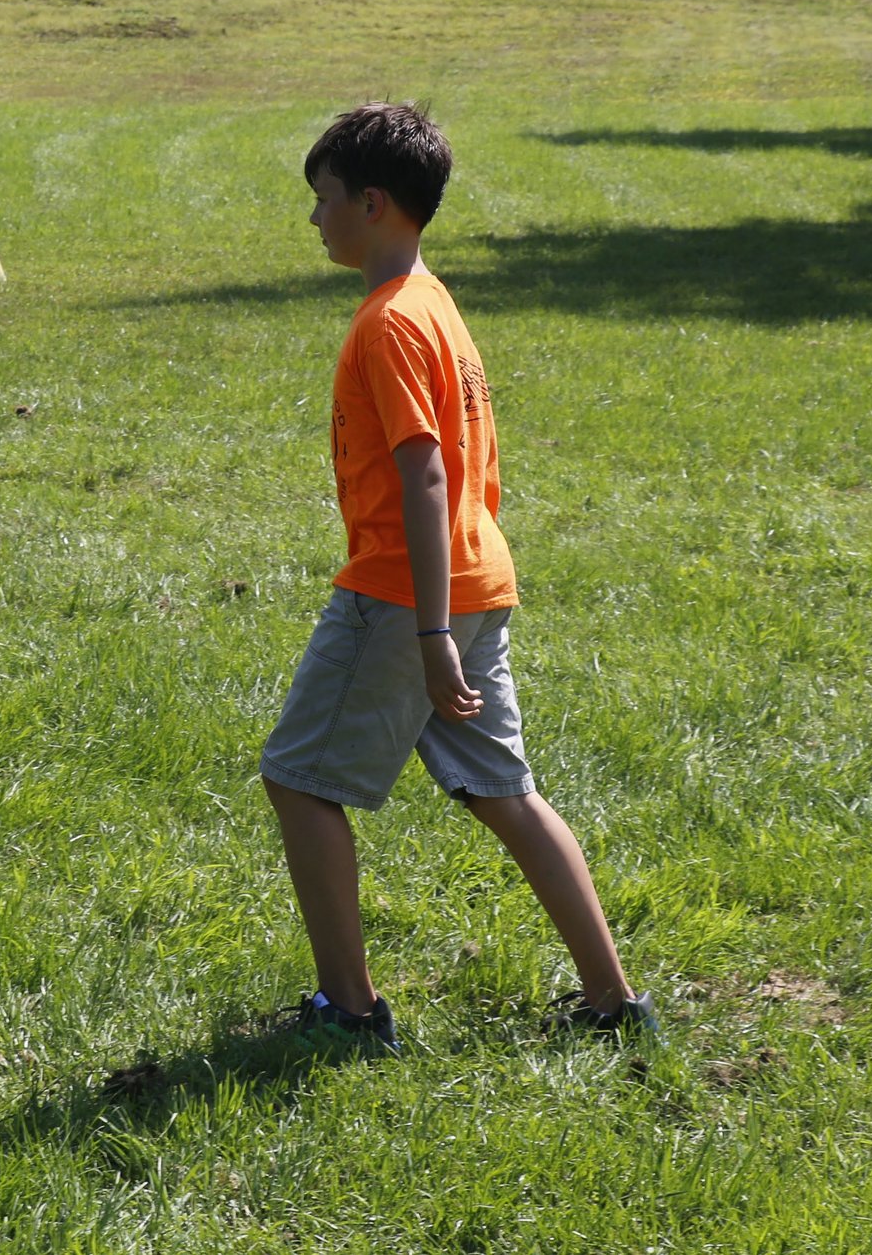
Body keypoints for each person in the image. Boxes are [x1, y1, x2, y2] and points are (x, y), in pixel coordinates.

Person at [261, 101, 655, 1049]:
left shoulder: (390, 322)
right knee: (504, 791)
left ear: (375, 202)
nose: (314, 219)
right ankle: (615, 1005)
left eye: (323, 200)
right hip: (479, 581)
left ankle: (348, 1014)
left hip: (406, 596)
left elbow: (425, 471)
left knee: (300, 783)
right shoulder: (434, 301)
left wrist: (431, 634)